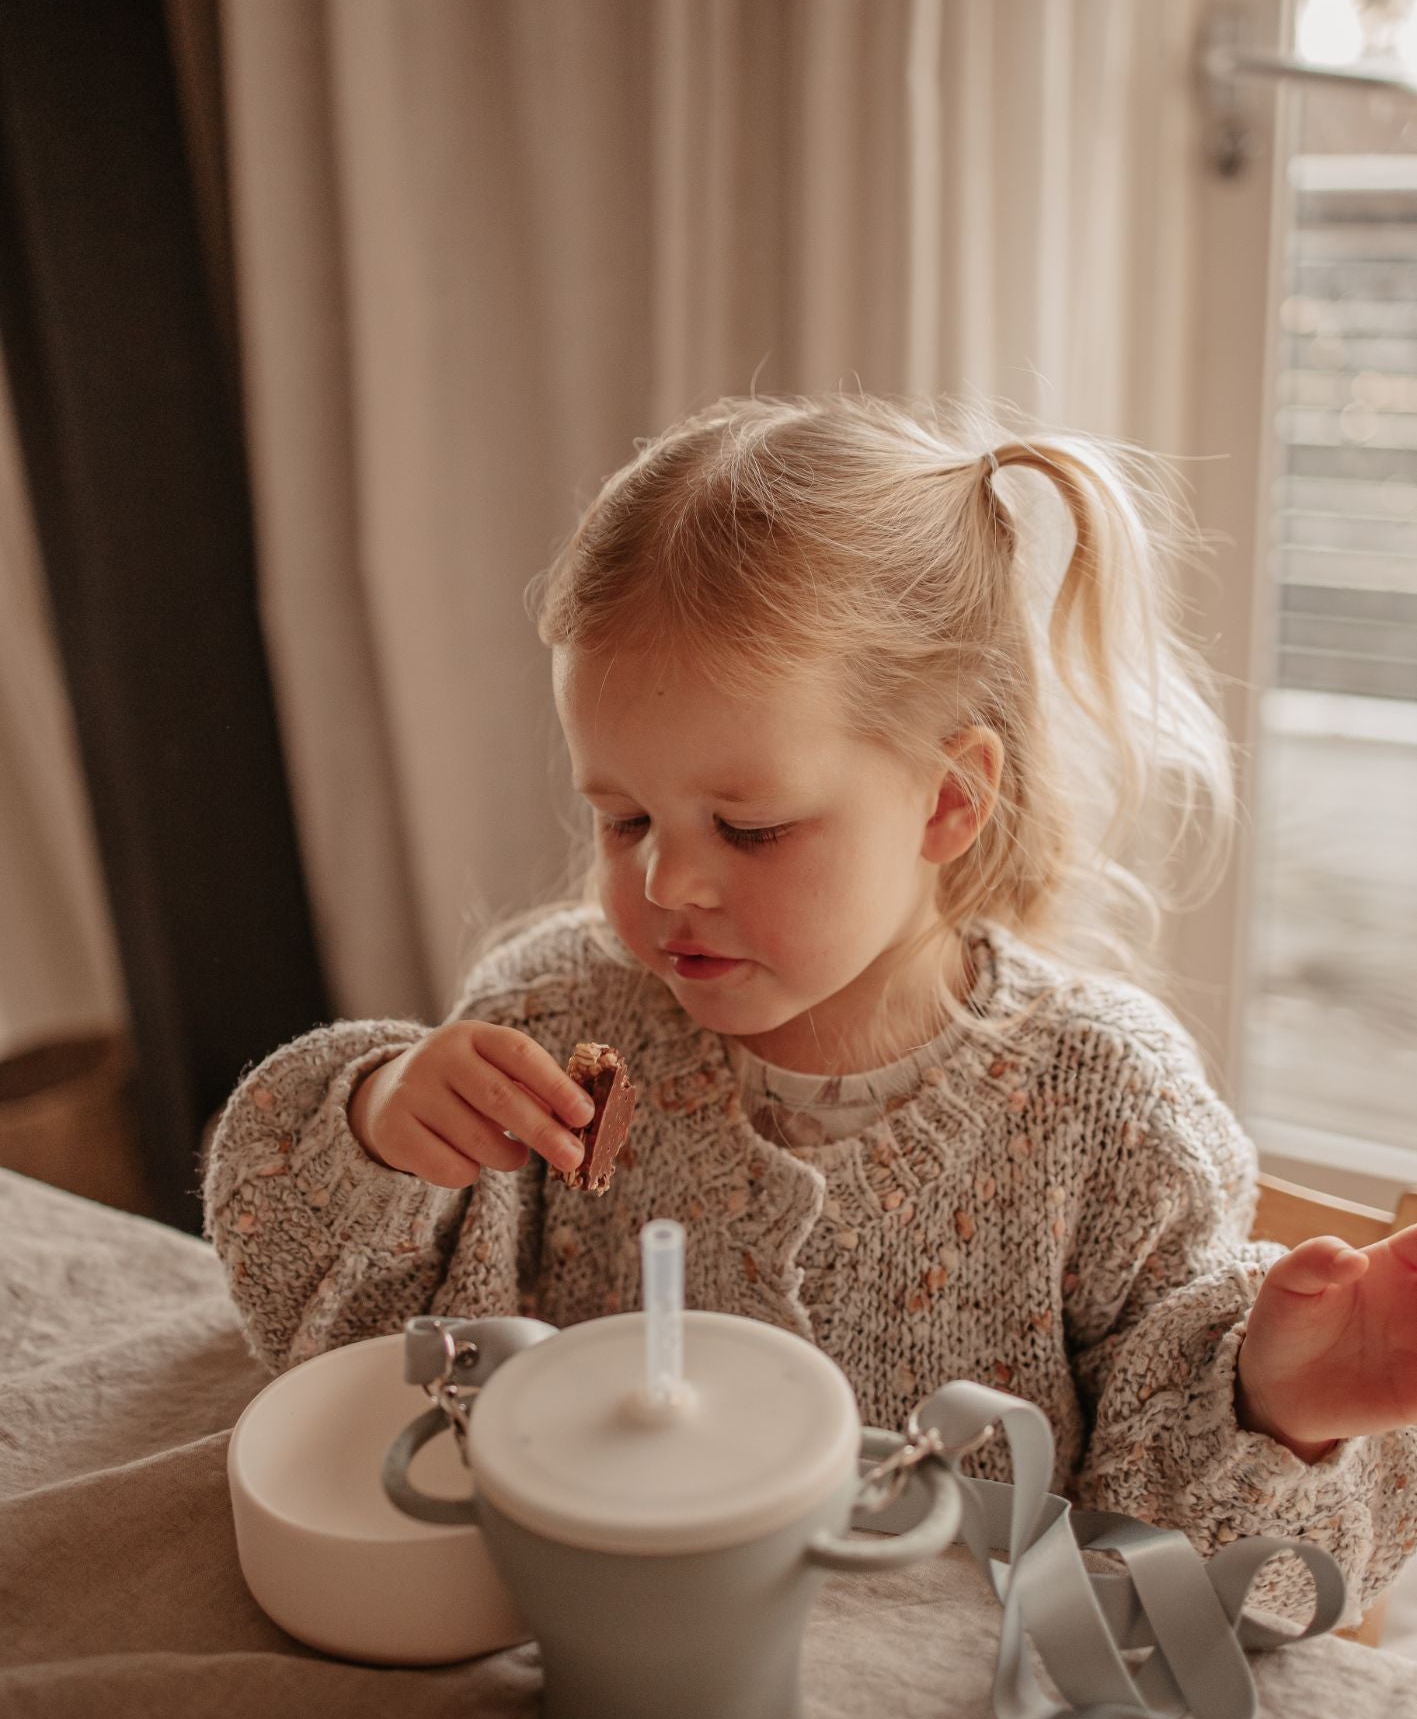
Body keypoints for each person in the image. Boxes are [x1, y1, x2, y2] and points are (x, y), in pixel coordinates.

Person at [205, 392, 1417, 1625]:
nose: (666, 881)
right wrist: (379, 1130)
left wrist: (1270, 1409)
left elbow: (1178, 1595)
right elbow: (346, 1357)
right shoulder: (552, 1011)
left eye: (750, 827)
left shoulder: (1109, 1110)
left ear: (948, 798)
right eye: (623, 817)